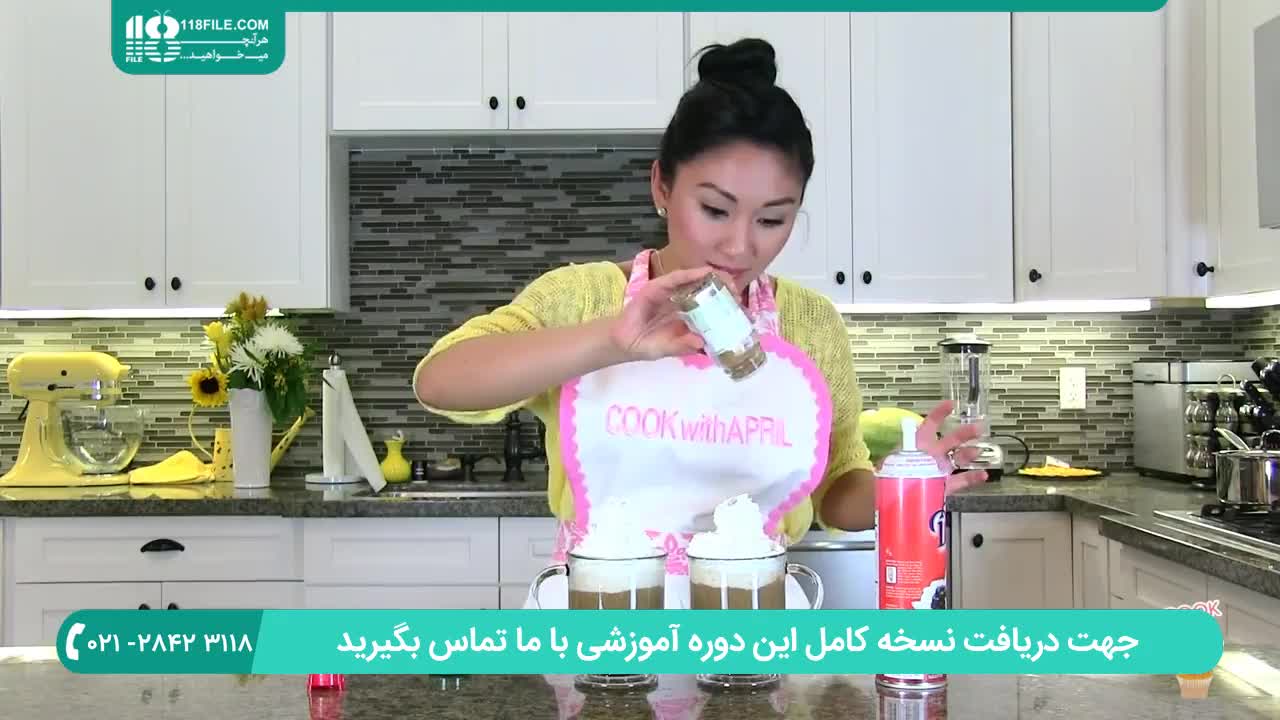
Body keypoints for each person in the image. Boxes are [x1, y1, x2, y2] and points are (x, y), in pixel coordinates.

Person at [413, 38, 989, 611]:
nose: (740, 246)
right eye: (715, 209)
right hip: (602, 619)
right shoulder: (585, 298)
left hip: (751, 622)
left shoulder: (809, 324)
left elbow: (838, 490)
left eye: (772, 219)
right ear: (661, 186)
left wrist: (905, 485)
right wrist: (612, 341)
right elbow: (440, 381)